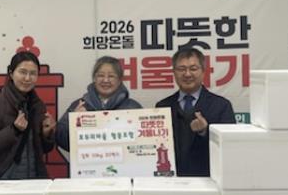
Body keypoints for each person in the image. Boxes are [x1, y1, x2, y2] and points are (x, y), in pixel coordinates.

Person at [0, 51, 56, 180]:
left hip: (33, 179)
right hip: (2, 180)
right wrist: (14, 130)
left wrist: (47, 135)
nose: (27, 78)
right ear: (11, 74)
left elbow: (43, 150)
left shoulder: (38, 106)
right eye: (22, 72)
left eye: (33, 73)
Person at [156, 47, 236, 176]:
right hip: (171, 180)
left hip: (209, 178)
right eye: (181, 69)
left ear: (203, 71)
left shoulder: (221, 106)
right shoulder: (162, 106)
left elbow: (230, 147)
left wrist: (204, 131)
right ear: (174, 72)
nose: (187, 74)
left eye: (193, 69)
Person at [55, 56, 142, 152]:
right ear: (94, 78)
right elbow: (61, 140)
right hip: (88, 160)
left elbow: (144, 142)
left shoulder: (133, 108)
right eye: (101, 75)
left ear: (120, 80)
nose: (105, 80)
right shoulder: (79, 105)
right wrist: (74, 123)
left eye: (111, 76)